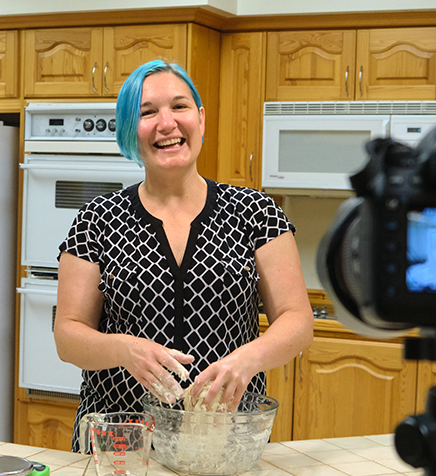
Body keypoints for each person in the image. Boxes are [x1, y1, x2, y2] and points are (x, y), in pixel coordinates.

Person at [53, 60, 314, 453]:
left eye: (179, 106)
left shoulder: (256, 213)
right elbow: (68, 334)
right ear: (130, 130)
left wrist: (248, 359)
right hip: (120, 445)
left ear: (200, 119)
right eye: (147, 112)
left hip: (225, 443)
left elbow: (298, 320)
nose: (166, 123)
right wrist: (126, 349)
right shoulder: (97, 219)